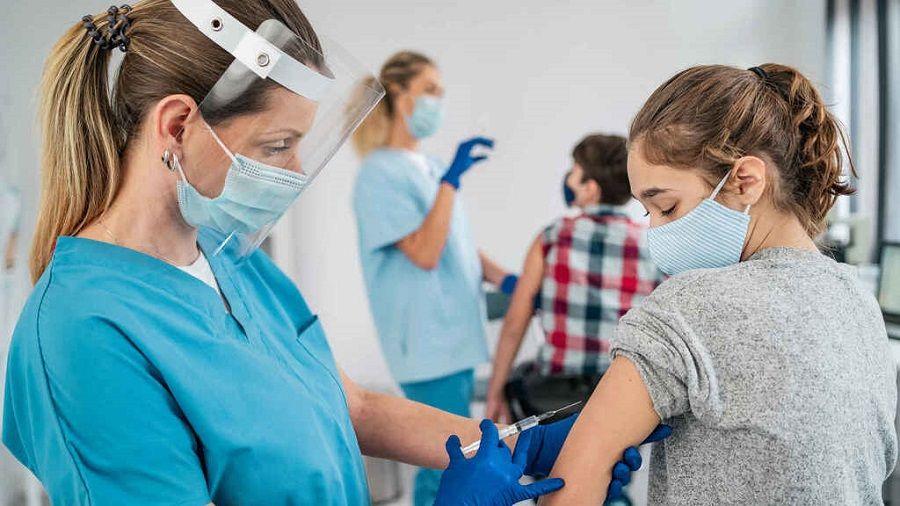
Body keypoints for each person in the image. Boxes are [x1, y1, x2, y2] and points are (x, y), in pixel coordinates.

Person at [0, 1, 649, 504]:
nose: (293, 171)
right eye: (277, 145)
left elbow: (354, 407)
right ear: (176, 127)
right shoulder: (84, 334)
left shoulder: (234, 261)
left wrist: (515, 444)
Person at [541, 64, 898, 505]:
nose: (655, 230)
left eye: (666, 207)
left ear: (745, 182)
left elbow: (569, 491)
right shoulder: (858, 301)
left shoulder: (687, 307)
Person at [351, 51, 518, 505]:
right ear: (399, 96)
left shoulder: (426, 166)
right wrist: (451, 181)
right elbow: (425, 252)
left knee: (453, 458)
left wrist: (506, 280)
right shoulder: (379, 173)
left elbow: (455, 242)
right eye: (430, 90)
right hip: (426, 342)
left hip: (453, 337)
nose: (437, 101)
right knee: (445, 463)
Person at [486, 134, 664, 424]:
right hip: (619, 390)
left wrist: (494, 394)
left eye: (574, 172)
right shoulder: (651, 243)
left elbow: (515, 323)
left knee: (521, 383)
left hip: (556, 394)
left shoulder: (552, 237)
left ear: (590, 189)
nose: (568, 179)